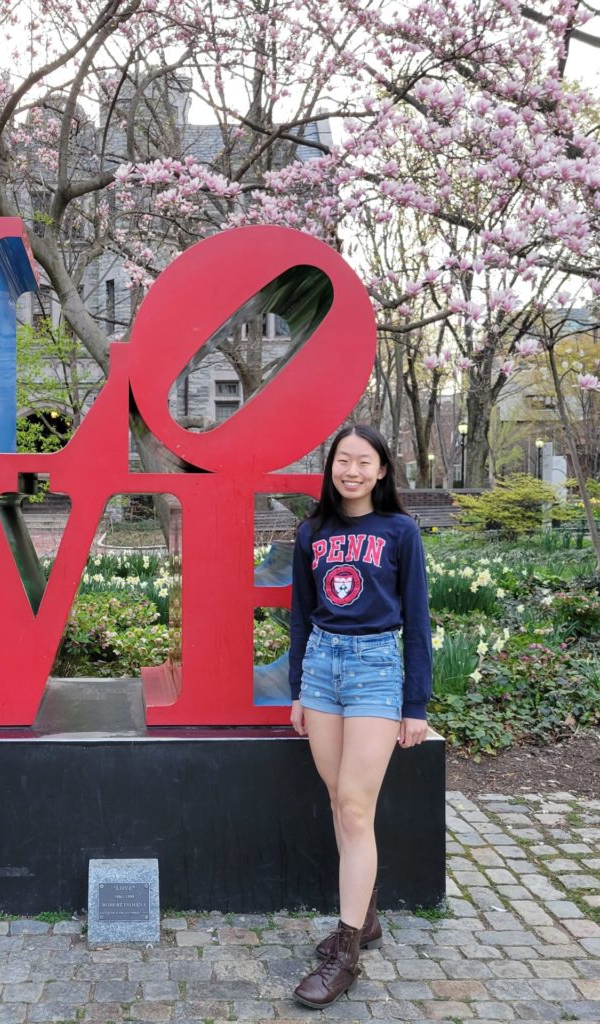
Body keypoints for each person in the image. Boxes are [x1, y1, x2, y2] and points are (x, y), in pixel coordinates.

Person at [288, 424, 432, 1009]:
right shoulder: (311, 532)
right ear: (331, 469)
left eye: (363, 461)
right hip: (322, 667)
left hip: (376, 667)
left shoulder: (400, 531)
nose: (351, 470)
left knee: (354, 803)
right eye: (343, 460)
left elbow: (418, 619)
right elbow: (300, 615)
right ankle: (365, 917)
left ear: (381, 471)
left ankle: (345, 954)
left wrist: (414, 703)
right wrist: (298, 688)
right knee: (336, 799)